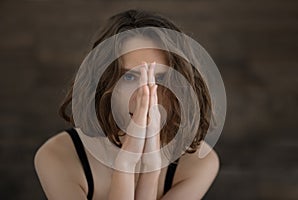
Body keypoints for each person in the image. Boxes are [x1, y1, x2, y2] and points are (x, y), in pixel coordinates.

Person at [34, 9, 220, 200]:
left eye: (161, 77)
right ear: (104, 81)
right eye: (129, 76)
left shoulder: (199, 162)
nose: (145, 94)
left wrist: (150, 170)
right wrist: (125, 164)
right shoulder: (57, 156)